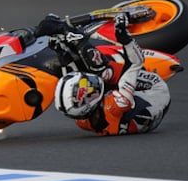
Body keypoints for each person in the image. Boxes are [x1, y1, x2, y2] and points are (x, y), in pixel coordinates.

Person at [35, 13, 171, 135]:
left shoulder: (83, 120)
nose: (90, 82)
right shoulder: (116, 105)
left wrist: (61, 51)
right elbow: (136, 63)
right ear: (90, 103)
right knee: (104, 73)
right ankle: (72, 34)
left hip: (128, 113)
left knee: (89, 72)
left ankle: (69, 36)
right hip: (155, 91)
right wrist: (123, 35)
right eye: (89, 87)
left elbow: (73, 74)